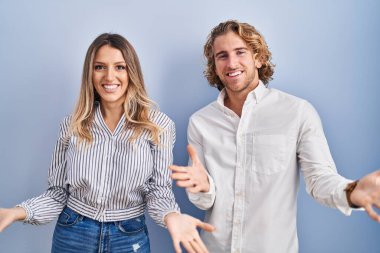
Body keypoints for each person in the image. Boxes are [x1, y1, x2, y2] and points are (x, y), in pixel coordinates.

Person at [170, 20, 380, 253]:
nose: (231, 63)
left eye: (240, 52)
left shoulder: (297, 112)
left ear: (259, 58)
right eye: (222, 56)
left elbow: (320, 180)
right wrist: (203, 187)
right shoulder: (200, 122)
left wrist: (351, 192)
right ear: (215, 66)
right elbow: (204, 201)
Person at [0, 33, 214, 253]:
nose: (109, 76)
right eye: (100, 67)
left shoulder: (159, 126)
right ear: (89, 74)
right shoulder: (71, 125)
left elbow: (158, 191)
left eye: (120, 67)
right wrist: (16, 212)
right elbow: (57, 194)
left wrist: (172, 216)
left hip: (129, 237)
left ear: (132, 72)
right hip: (73, 234)